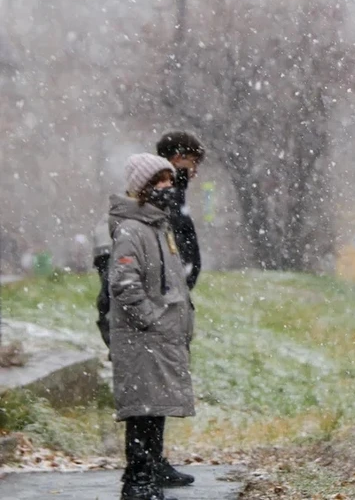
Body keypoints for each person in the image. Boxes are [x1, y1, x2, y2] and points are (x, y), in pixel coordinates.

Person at [109, 153, 196, 500]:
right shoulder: (133, 230)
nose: (167, 188)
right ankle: (138, 476)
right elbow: (124, 282)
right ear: (142, 187)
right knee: (142, 409)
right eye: (159, 181)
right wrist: (151, 319)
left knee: (155, 405)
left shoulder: (159, 227)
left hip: (159, 338)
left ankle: (152, 468)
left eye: (169, 180)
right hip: (143, 337)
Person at [94, 131, 205, 352]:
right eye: (192, 163)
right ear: (177, 158)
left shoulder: (169, 206)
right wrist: (153, 321)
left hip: (165, 323)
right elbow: (121, 282)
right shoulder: (144, 218)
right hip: (152, 330)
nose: (194, 172)